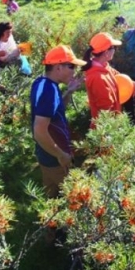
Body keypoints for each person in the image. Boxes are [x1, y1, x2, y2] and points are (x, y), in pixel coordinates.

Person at [30, 45, 86, 198]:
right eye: (71, 66)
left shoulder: (43, 83)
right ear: (58, 67)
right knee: (76, 199)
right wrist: (61, 155)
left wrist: (69, 92)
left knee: (51, 196)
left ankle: (48, 220)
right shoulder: (49, 91)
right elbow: (39, 131)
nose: (74, 71)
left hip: (46, 154)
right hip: (54, 158)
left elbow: (53, 111)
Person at [83, 32, 135, 127]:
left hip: (111, 124)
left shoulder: (105, 66)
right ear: (106, 53)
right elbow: (105, 111)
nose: (115, 50)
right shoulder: (97, 78)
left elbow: (119, 77)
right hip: (105, 129)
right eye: (114, 48)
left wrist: (134, 84)